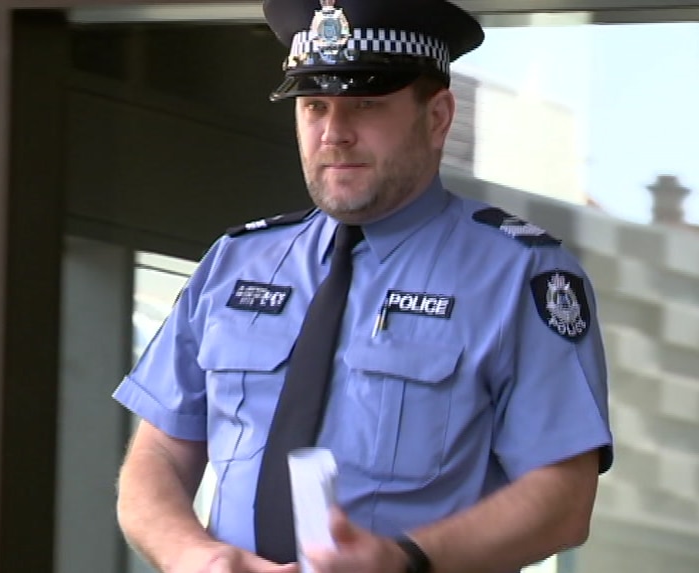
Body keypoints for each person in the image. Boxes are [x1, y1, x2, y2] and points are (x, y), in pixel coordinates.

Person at [112, 0, 614, 572]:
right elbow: (158, 455)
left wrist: (404, 561)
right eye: (314, 105)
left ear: (438, 117)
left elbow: (563, 499)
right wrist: (198, 558)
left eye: (365, 105)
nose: (334, 133)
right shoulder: (236, 264)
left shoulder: (517, 274)